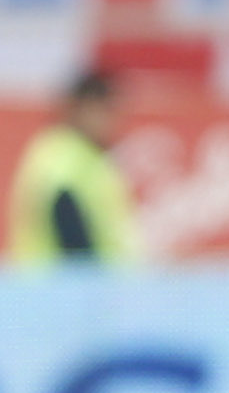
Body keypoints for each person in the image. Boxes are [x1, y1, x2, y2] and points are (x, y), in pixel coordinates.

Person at [8, 67, 140, 267]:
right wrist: (88, 284)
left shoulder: (74, 153)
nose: (114, 121)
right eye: (108, 110)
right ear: (83, 108)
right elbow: (67, 220)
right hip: (63, 292)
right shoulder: (66, 156)